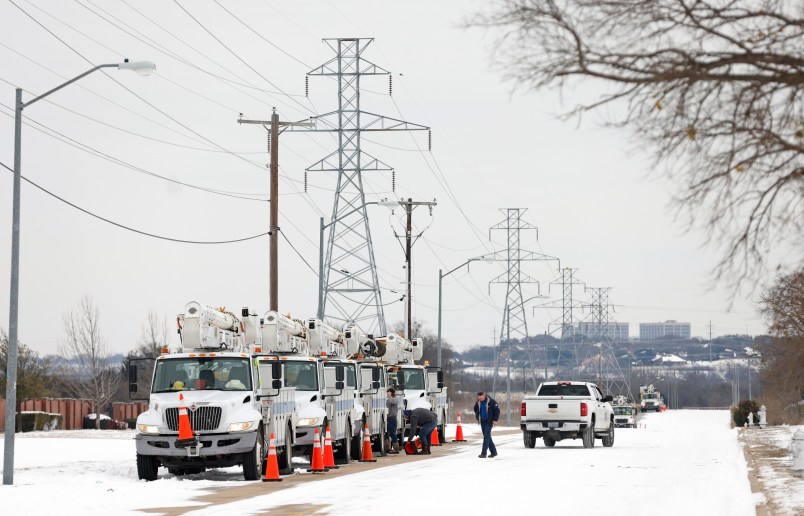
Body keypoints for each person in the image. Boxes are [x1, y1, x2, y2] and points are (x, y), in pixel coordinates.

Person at [473, 391, 500, 458]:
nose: (480, 399)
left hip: (489, 421)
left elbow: (497, 411)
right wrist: (477, 415)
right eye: (479, 398)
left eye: (481, 397)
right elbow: (475, 408)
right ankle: (494, 452)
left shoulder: (491, 402)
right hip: (482, 421)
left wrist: (495, 420)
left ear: (484, 395)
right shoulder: (478, 402)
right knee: (487, 437)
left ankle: (483, 453)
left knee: (486, 437)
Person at [386, 388, 400, 454]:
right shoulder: (389, 399)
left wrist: (389, 396)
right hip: (387, 418)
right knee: (386, 433)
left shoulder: (395, 399)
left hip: (392, 418)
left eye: (388, 392)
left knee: (392, 433)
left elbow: (392, 402)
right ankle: (387, 447)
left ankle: (396, 448)